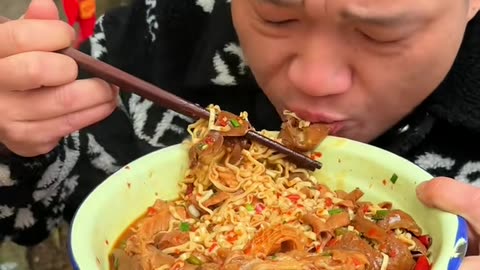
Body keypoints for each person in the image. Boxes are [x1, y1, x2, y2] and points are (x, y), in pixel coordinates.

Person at [0, 0, 479, 267]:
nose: (314, 79)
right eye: (277, 16)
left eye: (381, 35)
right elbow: (28, 224)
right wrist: (13, 142)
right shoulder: (135, 49)